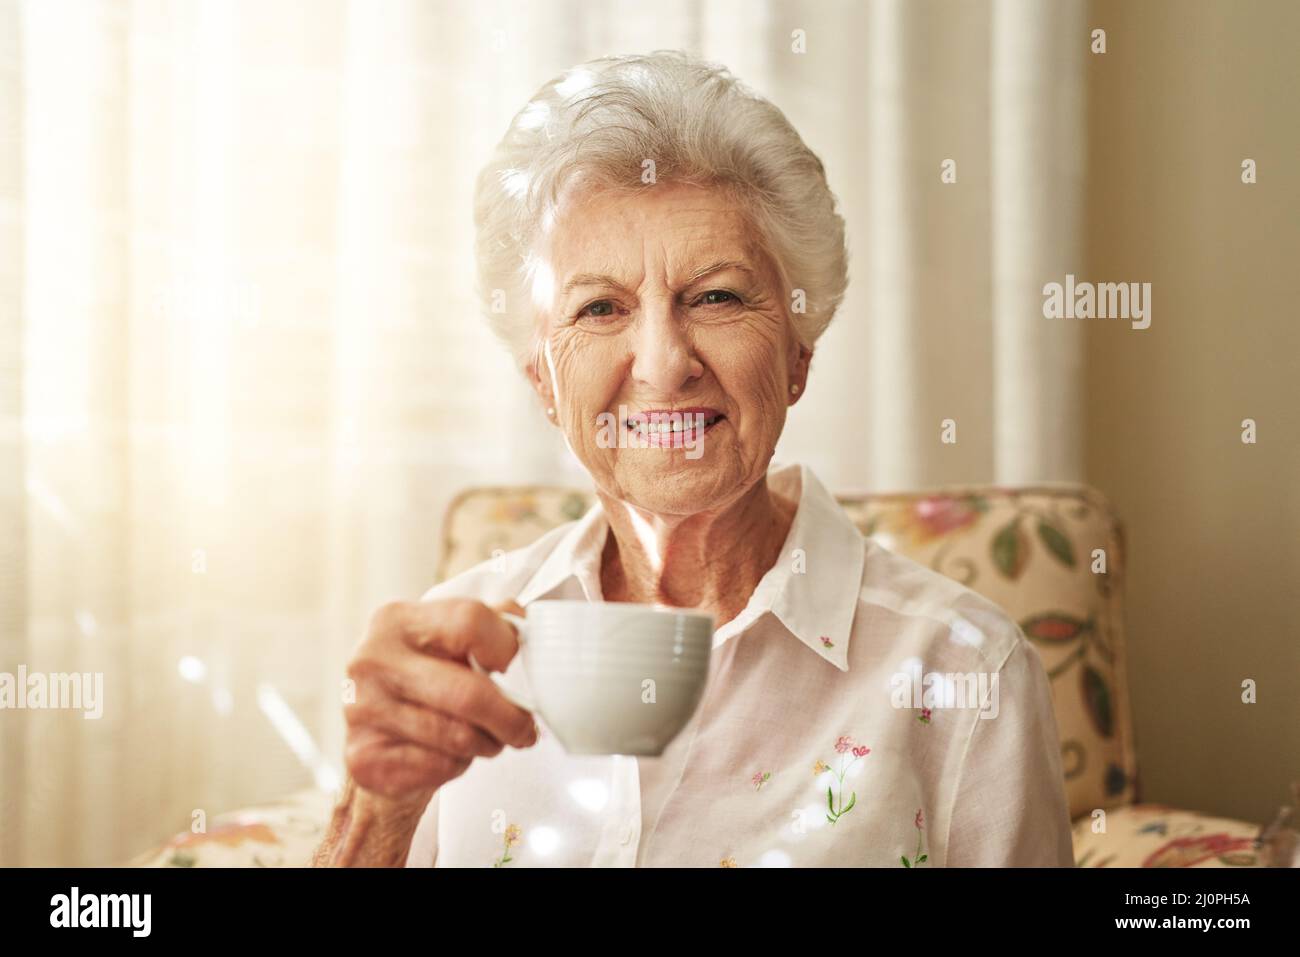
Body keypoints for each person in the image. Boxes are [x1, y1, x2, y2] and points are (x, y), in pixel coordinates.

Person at [312, 50, 1074, 868]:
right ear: (543, 379)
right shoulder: (457, 654)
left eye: (715, 295)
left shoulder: (963, 667)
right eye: (600, 307)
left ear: (797, 354)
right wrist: (377, 814)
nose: (662, 362)